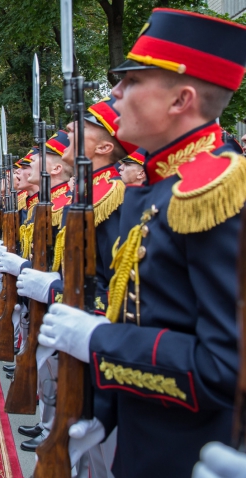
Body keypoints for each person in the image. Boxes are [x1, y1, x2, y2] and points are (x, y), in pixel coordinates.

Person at [38, 9, 246, 477]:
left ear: (181, 100)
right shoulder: (157, 190)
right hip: (140, 437)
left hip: (195, 452)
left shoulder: (218, 192)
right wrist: (103, 411)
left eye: (131, 81)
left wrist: (99, 340)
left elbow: (222, 367)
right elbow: (139, 311)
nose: (115, 93)